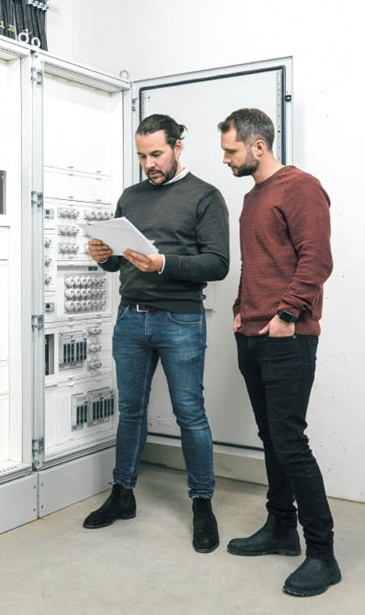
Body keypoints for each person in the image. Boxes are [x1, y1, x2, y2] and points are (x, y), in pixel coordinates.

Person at [82, 113, 230, 553]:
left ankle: (202, 503)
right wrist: (102, 255)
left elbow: (217, 263)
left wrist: (164, 263)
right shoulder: (130, 196)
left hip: (180, 320)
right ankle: (122, 494)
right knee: (130, 411)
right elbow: (117, 262)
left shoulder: (205, 196)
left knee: (190, 414)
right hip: (131, 319)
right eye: (143, 155)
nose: (149, 163)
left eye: (157, 154)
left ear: (178, 147)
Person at [218, 108, 341, 596]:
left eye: (231, 150)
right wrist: (239, 307)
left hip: (287, 335)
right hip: (251, 331)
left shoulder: (301, 187)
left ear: (258, 146)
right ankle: (280, 529)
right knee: (271, 437)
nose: (225, 159)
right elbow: (259, 262)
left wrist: (287, 315)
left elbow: (317, 259)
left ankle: (324, 554)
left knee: (290, 441)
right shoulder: (254, 198)